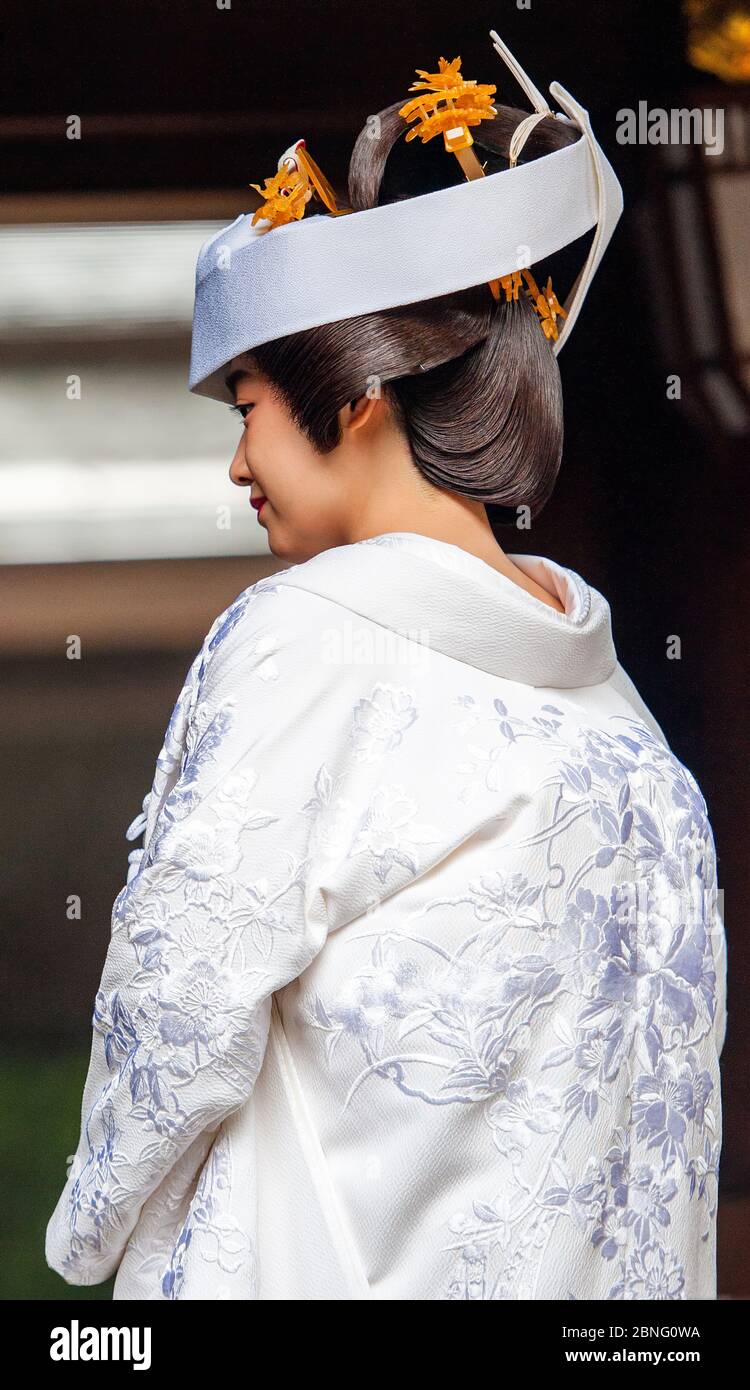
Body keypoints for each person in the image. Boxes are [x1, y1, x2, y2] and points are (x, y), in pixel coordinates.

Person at [46, 31, 727, 1300]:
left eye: (246, 402)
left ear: (356, 394)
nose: (238, 464)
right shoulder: (628, 724)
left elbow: (178, 1005)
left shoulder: (303, 636)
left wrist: (91, 1233)